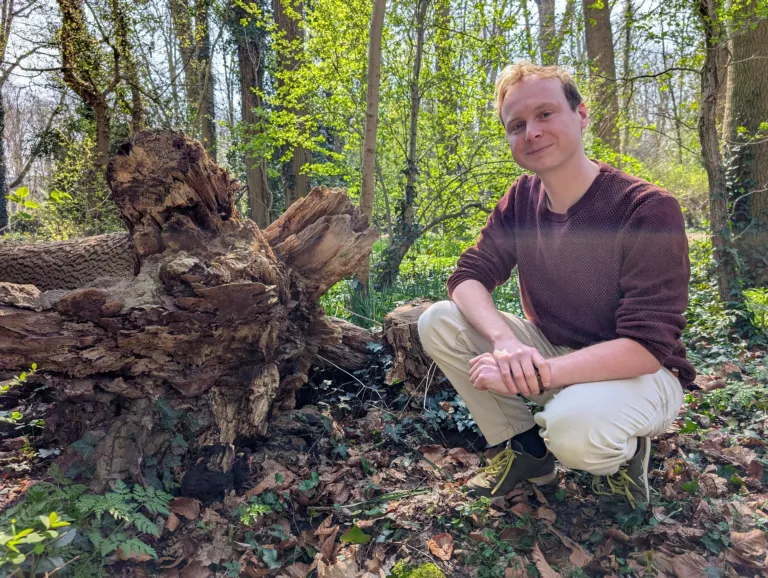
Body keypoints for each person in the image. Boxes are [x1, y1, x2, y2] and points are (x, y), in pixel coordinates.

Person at [417, 61, 696, 513]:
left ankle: (624, 457)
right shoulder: (522, 199)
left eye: (545, 114)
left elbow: (647, 346)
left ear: (581, 115)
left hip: (643, 374)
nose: (532, 132)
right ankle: (527, 453)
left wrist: (535, 375)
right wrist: (506, 343)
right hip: (554, 348)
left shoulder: (647, 209)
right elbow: (468, 275)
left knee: (573, 428)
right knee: (439, 321)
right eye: (517, 124)